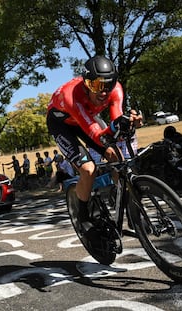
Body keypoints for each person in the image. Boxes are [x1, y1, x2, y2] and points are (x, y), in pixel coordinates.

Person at [47, 55, 142, 245]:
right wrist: (115, 128)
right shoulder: (71, 95)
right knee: (88, 169)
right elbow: (96, 134)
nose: (103, 92)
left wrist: (129, 122)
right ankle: (83, 217)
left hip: (86, 119)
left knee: (117, 158)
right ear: (86, 83)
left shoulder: (115, 90)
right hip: (63, 124)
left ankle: (127, 205)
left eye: (108, 84)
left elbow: (115, 122)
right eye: (96, 85)